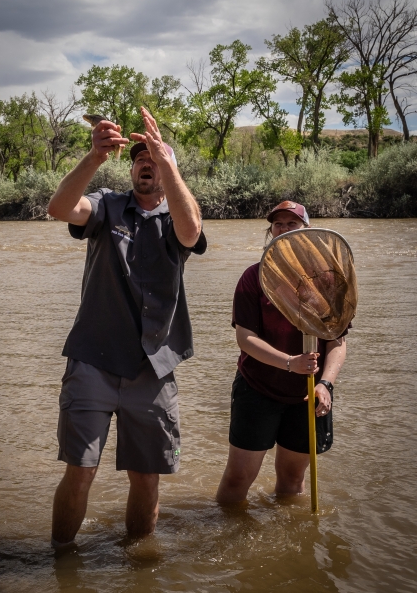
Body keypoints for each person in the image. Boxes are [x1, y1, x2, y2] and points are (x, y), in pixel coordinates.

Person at [47, 106, 206, 548]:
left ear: (168, 167)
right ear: (131, 168)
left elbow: (192, 231)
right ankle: (61, 563)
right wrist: (94, 157)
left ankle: (138, 568)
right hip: (93, 363)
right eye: (139, 158)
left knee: (147, 480)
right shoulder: (107, 205)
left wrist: (168, 159)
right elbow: (59, 207)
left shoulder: (178, 216)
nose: (146, 163)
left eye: (155, 157)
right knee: (80, 472)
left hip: (154, 371)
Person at [216, 200, 348, 504]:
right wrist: (290, 362)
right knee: (238, 479)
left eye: (292, 224)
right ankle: (225, 537)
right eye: (278, 224)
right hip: (258, 387)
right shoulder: (254, 277)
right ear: (270, 231)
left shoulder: (329, 281)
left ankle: (291, 544)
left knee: (292, 480)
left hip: (308, 393)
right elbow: (245, 338)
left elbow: (337, 342)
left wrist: (325, 384)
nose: (284, 230)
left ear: (307, 231)